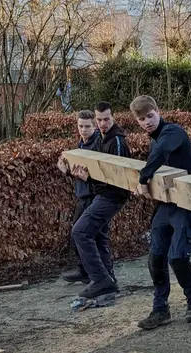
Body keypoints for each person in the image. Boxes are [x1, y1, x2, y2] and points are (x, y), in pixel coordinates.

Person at [130, 95, 191, 328]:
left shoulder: (173, 132)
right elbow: (156, 162)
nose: (147, 122)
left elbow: (162, 152)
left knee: (177, 257)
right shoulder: (153, 140)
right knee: (156, 258)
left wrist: (143, 178)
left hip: (187, 205)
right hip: (167, 204)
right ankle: (160, 310)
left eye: (150, 116)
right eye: (141, 119)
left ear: (158, 111)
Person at [70, 101, 131, 299]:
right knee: (91, 234)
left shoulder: (117, 141)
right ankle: (106, 279)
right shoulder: (103, 140)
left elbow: (118, 180)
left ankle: (101, 279)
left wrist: (88, 179)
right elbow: (100, 175)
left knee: (81, 232)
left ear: (113, 118)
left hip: (112, 197)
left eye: (106, 119)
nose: (103, 123)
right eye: (100, 120)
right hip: (103, 195)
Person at [57, 109, 101, 283]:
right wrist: (66, 172)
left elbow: (98, 176)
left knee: (91, 237)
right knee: (77, 236)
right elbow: (79, 174)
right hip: (82, 196)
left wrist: (87, 179)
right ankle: (85, 271)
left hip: (94, 197)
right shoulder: (81, 144)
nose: (83, 130)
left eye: (87, 127)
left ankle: (95, 274)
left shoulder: (97, 144)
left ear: (94, 126)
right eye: (80, 126)